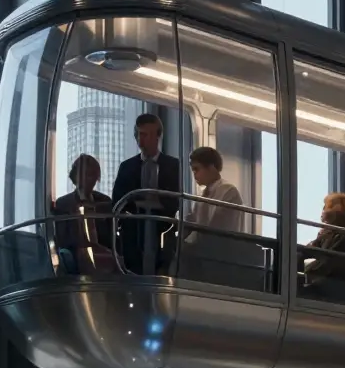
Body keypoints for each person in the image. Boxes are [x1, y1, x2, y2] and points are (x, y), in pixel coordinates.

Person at [111, 114, 181, 275]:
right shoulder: (127, 167)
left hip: (163, 231)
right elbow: (117, 201)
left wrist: (153, 205)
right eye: (138, 135)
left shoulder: (173, 166)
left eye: (145, 135)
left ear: (158, 136)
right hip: (133, 233)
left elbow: (175, 201)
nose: (140, 140)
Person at [181, 146, 258, 287]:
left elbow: (217, 226)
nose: (195, 175)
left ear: (211, 167)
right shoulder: (202, 196)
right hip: (204, 253)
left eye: (197, 169)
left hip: (220, 254)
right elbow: (193, 221)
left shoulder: (228, 192)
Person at [52, 154, 115, 274]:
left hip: (104, 256)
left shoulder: (105, 201)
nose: (89, 180)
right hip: (76, 257)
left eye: (92, 175)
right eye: (85, 174)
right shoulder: (63, 204)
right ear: (75, 177)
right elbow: (62, 239)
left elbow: (111, 237)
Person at [301, 192, 345, 289]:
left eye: (325, 207)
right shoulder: (327, 234)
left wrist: (307, 268)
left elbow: (329, 263)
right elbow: (308, 251)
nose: (323, 211)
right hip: (323, 280)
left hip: (332, 285)